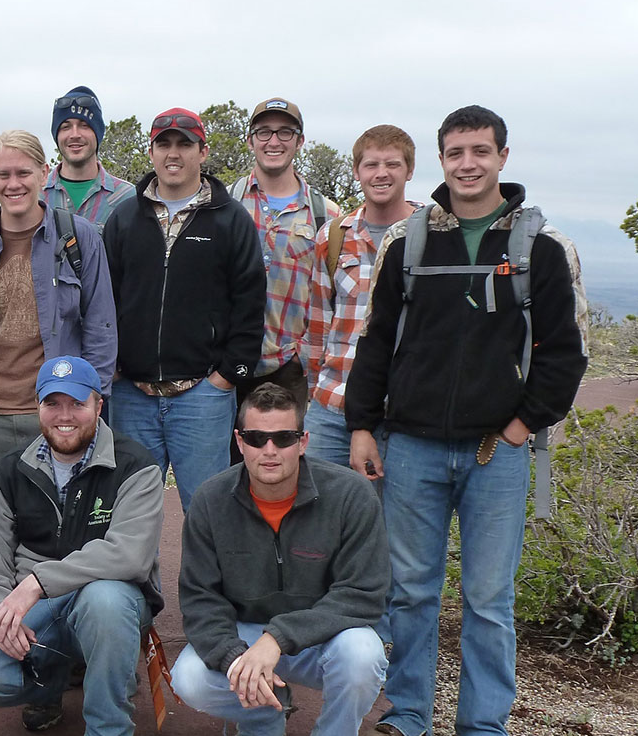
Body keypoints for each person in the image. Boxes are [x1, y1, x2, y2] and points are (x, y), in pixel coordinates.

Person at [348, 105, 588, 736]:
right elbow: (376, 338)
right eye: (455, 152)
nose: (468, 163)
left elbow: (565, 354)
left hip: (497, 452)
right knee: (411, 591)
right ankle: (409, 715)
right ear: (443, 159)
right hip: (414, 447)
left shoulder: (542, 248)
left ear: (503, 157)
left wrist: (522, 425)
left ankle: (485, 732)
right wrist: (364, 423)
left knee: (488, 598)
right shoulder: (409, 243)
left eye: (480, 151)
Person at [171, 383, 389, 736]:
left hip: (319, 637)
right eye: (255, 438)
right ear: (239, 442)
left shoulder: (350, 495)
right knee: (189, 679)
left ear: (303, 441)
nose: (269, 450)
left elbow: (363, 594)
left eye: (284, 438)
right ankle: (264, 719)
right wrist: (236, 655)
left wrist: (278, 639)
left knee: (364, 654)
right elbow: (199, 599)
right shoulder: (211, 500)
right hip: (247, 638)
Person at [0, 356, 163, 736]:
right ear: (38, 407)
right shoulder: (11, 470)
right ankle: (51, 686)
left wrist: (36, 582)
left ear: (98, 406)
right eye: (53, 403)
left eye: (77, 403)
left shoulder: (136, 465)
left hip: (106, 599)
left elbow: (130, 555)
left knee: (106, 602)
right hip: (41, 608)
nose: (64, 416)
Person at [0, 129, 116, 533]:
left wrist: (92, 399)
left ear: (44, 173)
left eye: (23, 172)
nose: (13, 184)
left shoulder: (78, 239)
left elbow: (102, 327)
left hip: (57, 413)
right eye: (3, 174)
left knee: (62, 532)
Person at [98, 108, 264, 517]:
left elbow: (250, 302)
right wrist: (113, 365)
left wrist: (227, 377)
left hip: (203, 396)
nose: (174, 154)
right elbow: (104, 298)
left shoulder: (231, 220)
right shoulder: (124, 219)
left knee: (208, 512)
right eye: (164, 144)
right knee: (132, 515)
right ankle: (135, 585)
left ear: (202, 152)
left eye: (184, 144)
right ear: (152, 152)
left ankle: (206, 585)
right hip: (131, 395)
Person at [303, 126, 421, 468]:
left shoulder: (433, 233)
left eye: (392, 164)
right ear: (357, 172)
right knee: (317, 514)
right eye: (371, 165)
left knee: (392, 520)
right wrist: (315, 392)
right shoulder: (334, 236)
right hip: (333, 407)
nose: (381, 173)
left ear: (409, 171)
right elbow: (317, 326)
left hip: (402, 412)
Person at [231, 97, 341, 407]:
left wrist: (304, 357)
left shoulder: (326, 215)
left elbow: (332, 295)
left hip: (292, 371)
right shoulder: (226, 203)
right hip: (226, 368)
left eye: (285, 132)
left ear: (300, 141)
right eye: (264, 132)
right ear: (251, 141)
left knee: (286, 455)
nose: (274, 141)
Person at [44, 86, 132, 225]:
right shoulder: (36, 196)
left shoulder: (127, 198)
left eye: (84, 126)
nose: (75, 135)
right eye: (66, 127)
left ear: (97, 135)